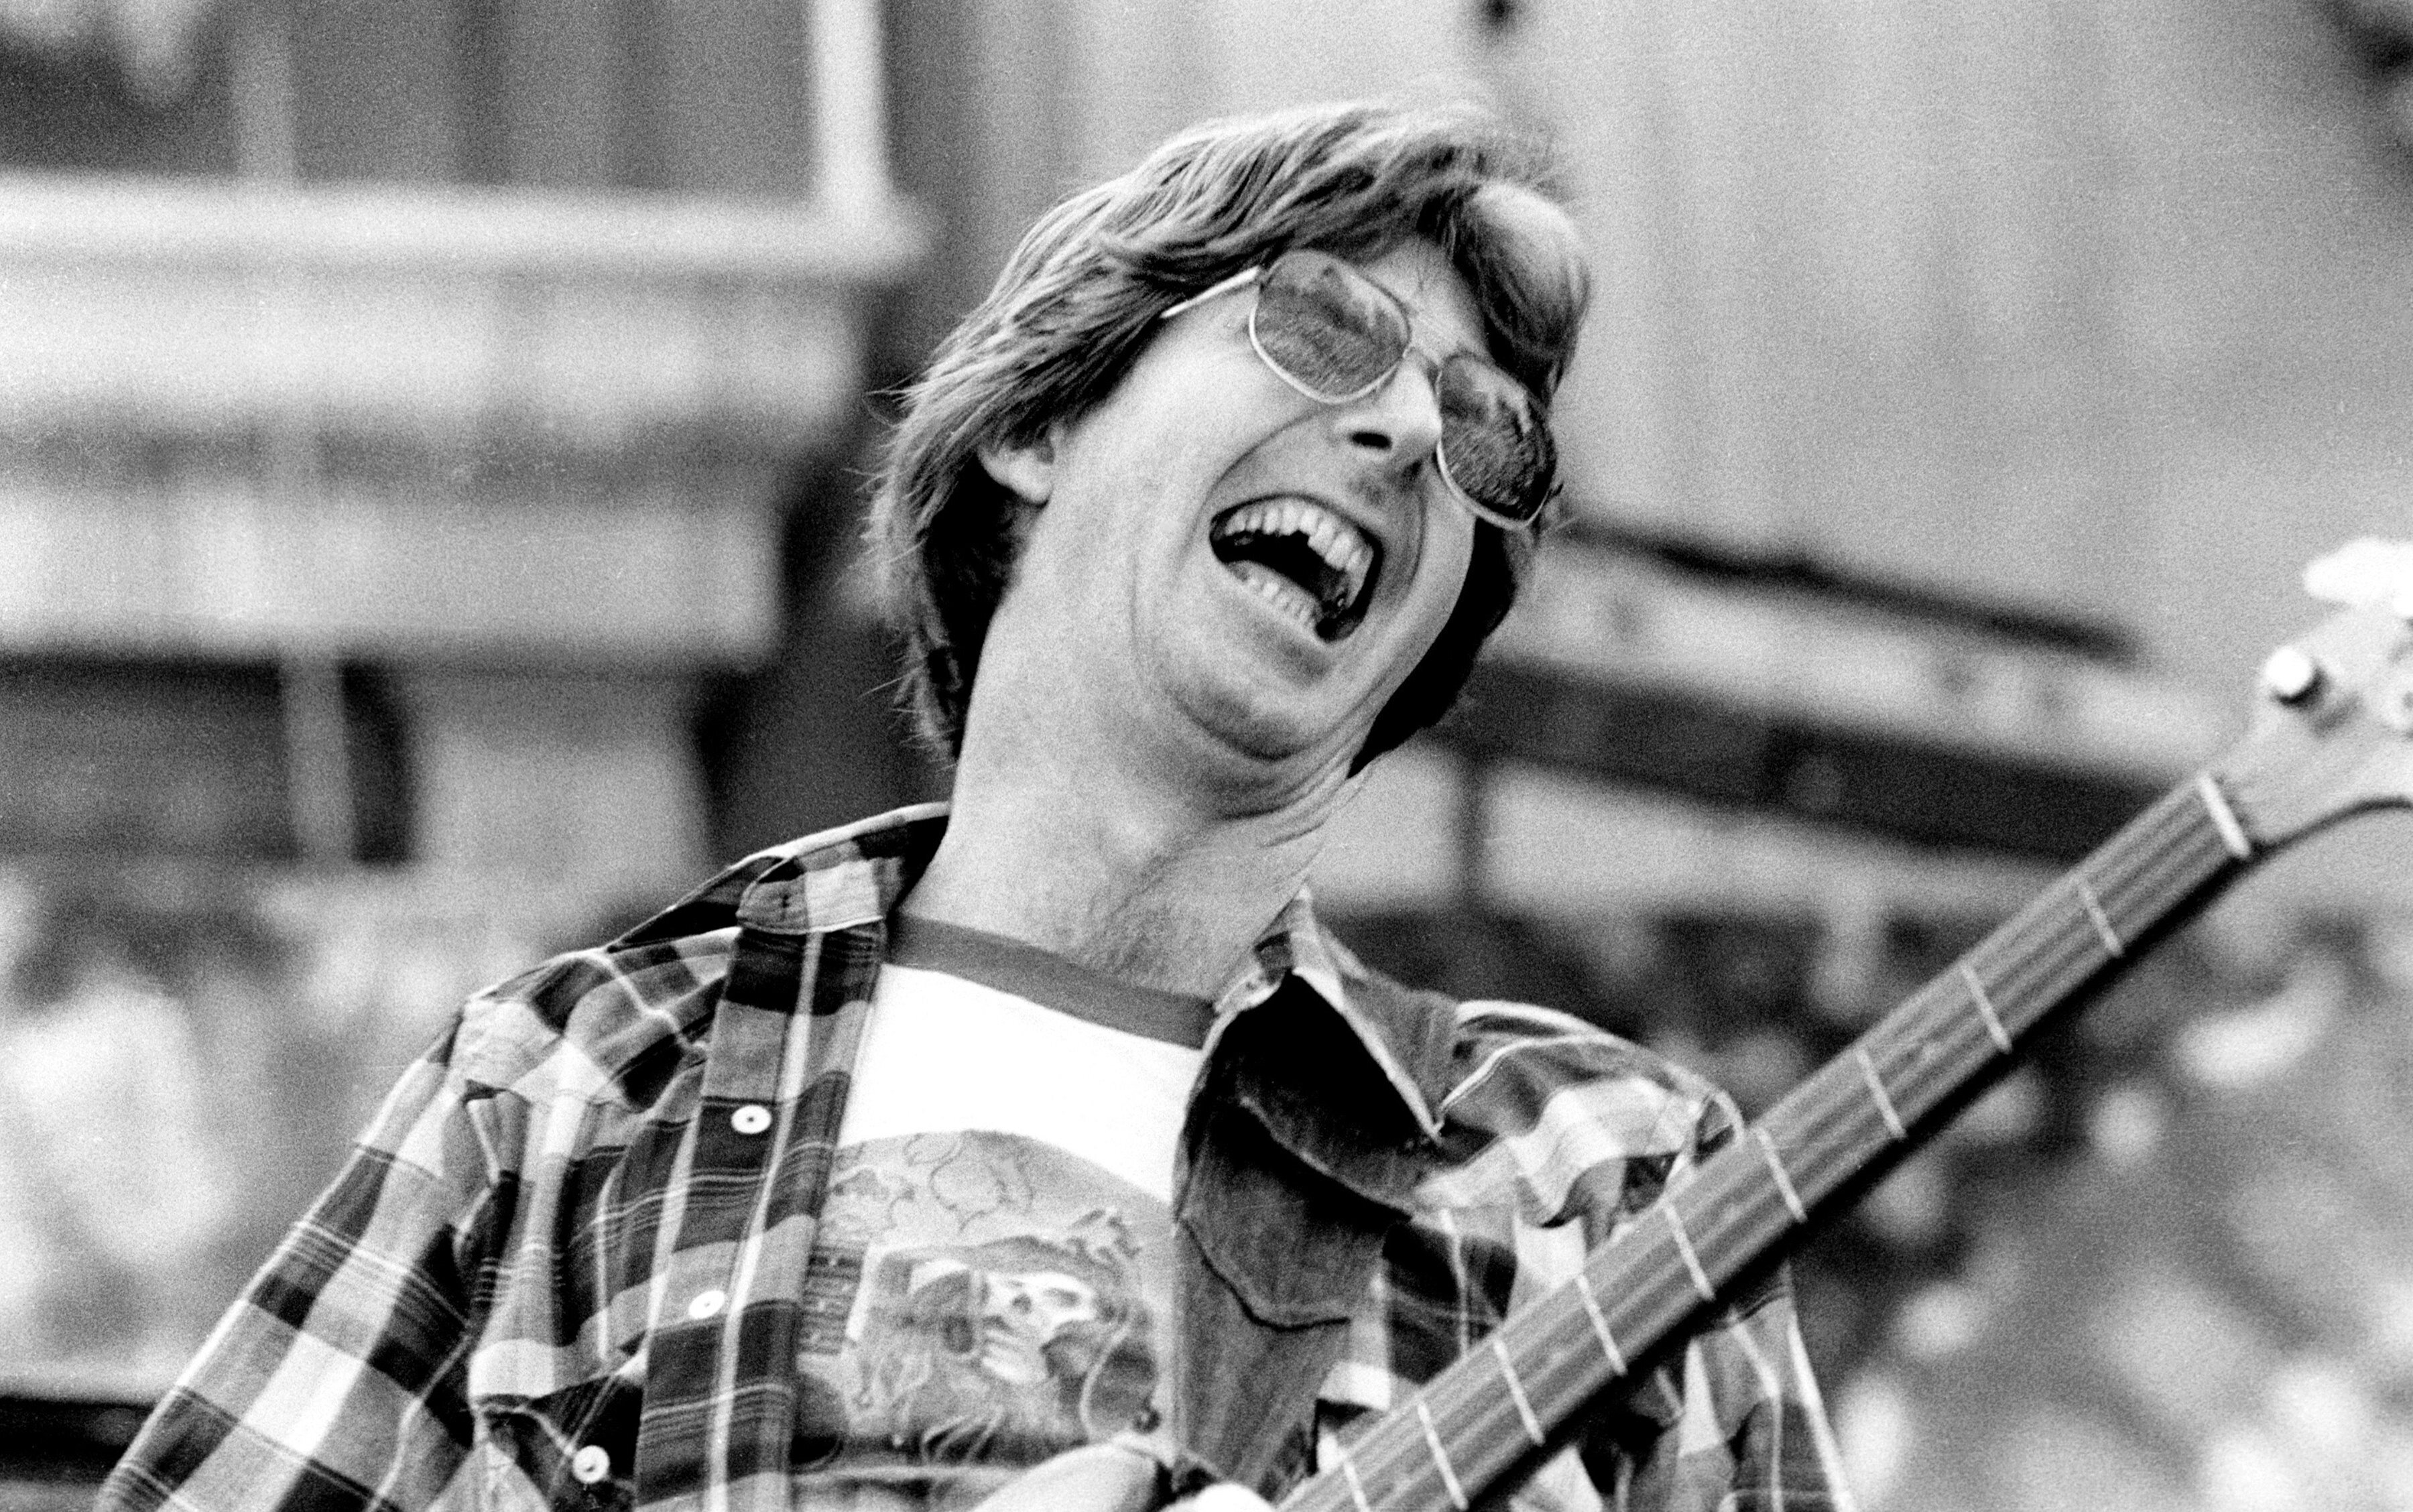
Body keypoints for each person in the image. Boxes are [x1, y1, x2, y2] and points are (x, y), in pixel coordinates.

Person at [96, 103, 1851, 1512]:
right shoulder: (564, 1094)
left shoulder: (1604, 1186)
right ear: (1043, 421)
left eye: (1483, 433)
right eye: (1327, 325)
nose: (1407, 431)